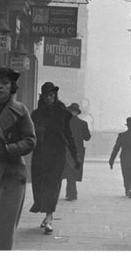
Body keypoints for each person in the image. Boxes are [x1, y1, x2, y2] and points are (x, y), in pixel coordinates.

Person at [30, 82, 80, 234]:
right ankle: (46, 214)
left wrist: (75, 156)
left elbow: (68, 135)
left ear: (55, 96)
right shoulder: (36, 114)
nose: (49, 98)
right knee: (40, 184)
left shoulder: (62, 113)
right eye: (46, 95)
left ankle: (49, 217)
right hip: (40, 154)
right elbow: (29, 135)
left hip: (57, 154)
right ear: (42, 96)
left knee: (53, 184)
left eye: (52, 95)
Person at [0, 67, 36, 250]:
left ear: (12, 86)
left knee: (4, 227)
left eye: (4, 83)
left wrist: (9, 149)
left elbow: (30, 140)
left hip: (11, 174)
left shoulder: (20, 110)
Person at [62, 103, 91, 201]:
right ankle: (72, 193)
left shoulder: (64, 122)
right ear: (77, 112)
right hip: (78, 151)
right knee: (73, 171)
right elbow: (87, 138)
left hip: (66, 150)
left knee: (68, 170)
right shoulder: (83, 124)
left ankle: (71, 193)